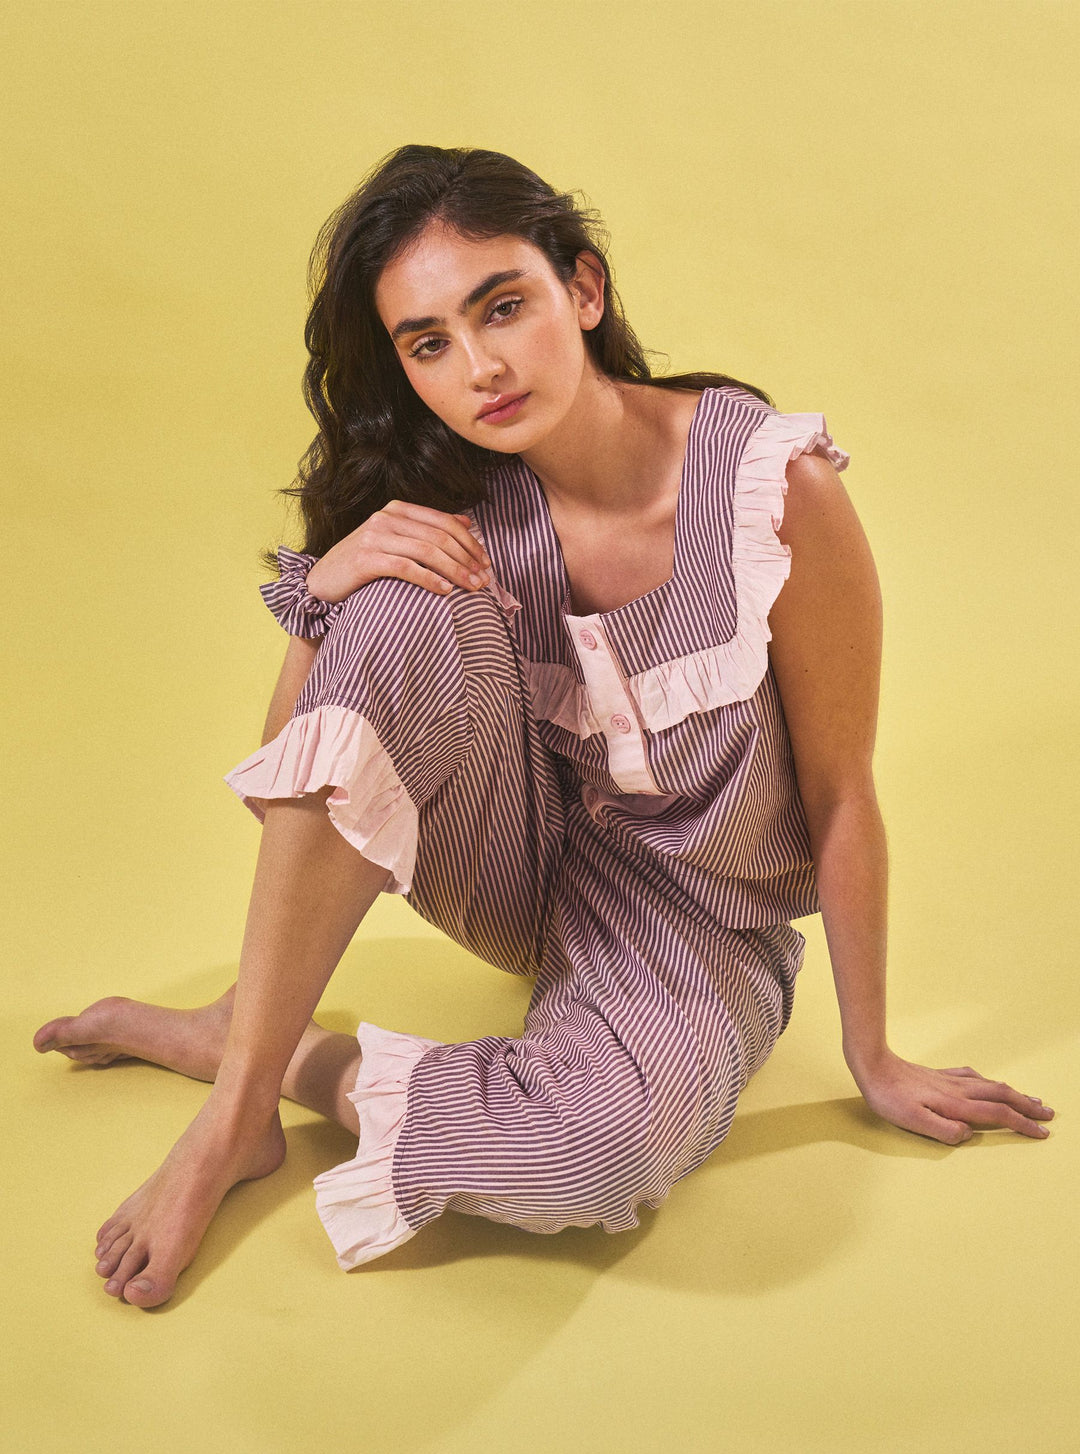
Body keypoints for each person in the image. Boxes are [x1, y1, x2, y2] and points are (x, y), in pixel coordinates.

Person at [33, 144, 1054, 1309]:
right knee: (397, 593)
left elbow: (842, 794)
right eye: (428, 344)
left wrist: (875, 1056)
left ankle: (262, 1048)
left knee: (590, 1156)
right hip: (515, 862)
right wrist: (327, 593)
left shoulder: (774, 489)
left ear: (585, 288)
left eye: (503, 307)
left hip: (701, 926)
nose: (480, 368)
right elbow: (293, 795)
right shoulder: (456, 501)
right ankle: (233, 1118)